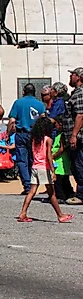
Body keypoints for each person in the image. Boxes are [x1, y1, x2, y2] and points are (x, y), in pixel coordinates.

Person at [17, 116, 73, 223]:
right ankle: (60, 215)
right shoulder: (48, 139)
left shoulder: (34, 140)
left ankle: (23, 212)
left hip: (35, 167)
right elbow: (49, 156)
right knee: (52, 193)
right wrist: (53, 171)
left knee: (32, 191)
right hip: (44, 167)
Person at [7, 83, 46, 195]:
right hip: (36, 135)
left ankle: (27, 186)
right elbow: (44, 120)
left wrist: (8, 135)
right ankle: (34, 185)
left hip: (21, 134)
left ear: (24, 91)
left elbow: (12, 120)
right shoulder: (39, 104)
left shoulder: (18, 103)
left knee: (22, 160)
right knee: (33, 160)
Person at [62, 68, 83, 205]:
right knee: (76, 166)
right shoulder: (75, 93)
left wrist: (74, 135)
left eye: (73, 74)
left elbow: (80, 115)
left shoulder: (80, 93)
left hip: (79, 137)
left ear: (79, 77)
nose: (70, 76)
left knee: (79, 165)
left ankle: (81, 194)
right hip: (74, 136)